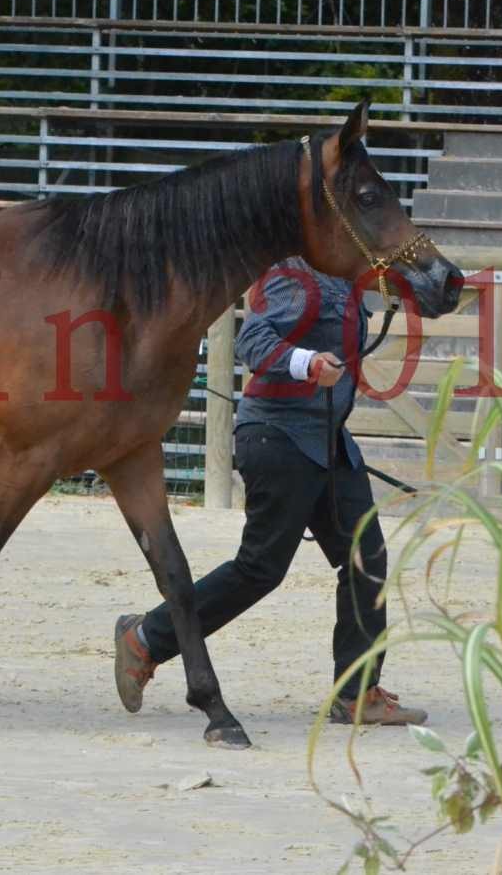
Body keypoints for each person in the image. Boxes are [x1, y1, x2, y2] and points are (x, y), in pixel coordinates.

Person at [113, 256, 426, 725]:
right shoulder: (295, 273)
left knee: (367, 559)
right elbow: (253, 339)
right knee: (260, 568)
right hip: (279, 438)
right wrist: (307, 362)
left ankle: (357, 693)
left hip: (328, 442)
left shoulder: (347, 275)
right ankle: (146, 639)